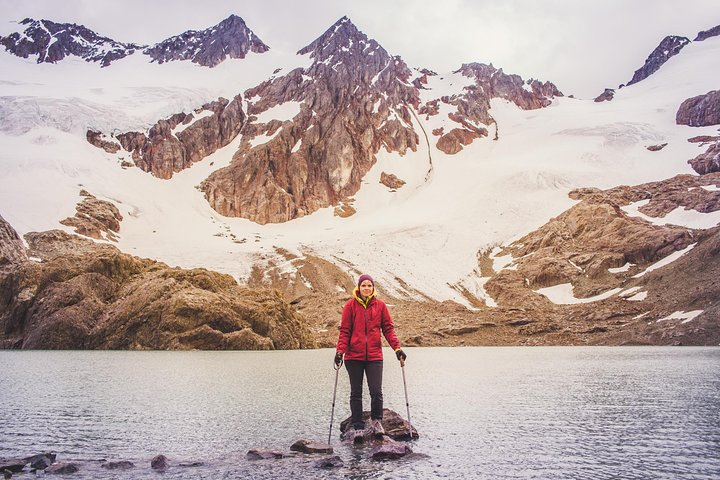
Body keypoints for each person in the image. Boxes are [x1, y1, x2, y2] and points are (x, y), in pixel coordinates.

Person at [334, 274, 407, 442]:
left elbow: (388, 329)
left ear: (373, 288)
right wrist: (340, 352)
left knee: (376, 391)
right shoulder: (350, 306)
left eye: (369, 285)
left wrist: (397, 349)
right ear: (358, 288)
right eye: (364, 285)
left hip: (374, 356)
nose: (367, 288)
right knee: (356, 392)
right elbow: (344, 331)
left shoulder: (380, 306)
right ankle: (358, 427)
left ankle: (376, 422)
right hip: (354, 357)